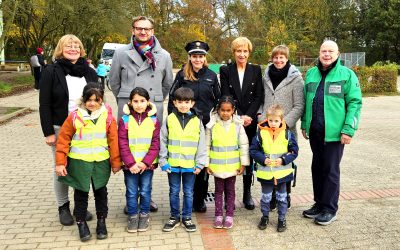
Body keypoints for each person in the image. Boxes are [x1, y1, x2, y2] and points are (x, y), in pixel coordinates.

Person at [109, 16, 173, 212]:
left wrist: (154, 98)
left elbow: (167, 83)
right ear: (133, 30)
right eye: (139, 28)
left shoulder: (164, 55)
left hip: (152, 106)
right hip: (129, 107)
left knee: (148, 150)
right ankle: (131, 198)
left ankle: (147, 196)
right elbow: (114, 81)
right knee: (129, 148)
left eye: (146, 29)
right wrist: (127, 98)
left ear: (153, 31)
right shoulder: (121, 53)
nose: (143, 32)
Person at [301, 40, 362, 225]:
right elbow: (306, 102)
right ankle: (319, 204)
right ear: (319, 53)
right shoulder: (311, 74)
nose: (326, 54)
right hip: (315, 132)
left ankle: (330, 209)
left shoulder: (347, 75)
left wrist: (348, 130)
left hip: (335, 134)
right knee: (317, 168)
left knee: (330, 170)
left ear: (338, 54)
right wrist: (304, 124)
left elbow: (355, 103)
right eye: (323, 51)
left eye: (330, 51)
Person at [39, 34, 98, 226]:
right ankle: (63, 207)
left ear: (81, 49)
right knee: (62, 167)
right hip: (59, 127)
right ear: (60, 49)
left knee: (82, 167)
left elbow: (97, 100)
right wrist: (48, 132)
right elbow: (44, 103)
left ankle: (79, 206)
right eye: (68, 46)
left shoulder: (89, 71)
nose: (73, 49)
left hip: (86, 128)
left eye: (76, 46)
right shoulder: (51, 70)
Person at [55, 83, 122, 241]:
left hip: (101, 162)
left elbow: (113, 140)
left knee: (101, 193)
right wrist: (60, 162)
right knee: (81, 194)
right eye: (89, 99)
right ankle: (81, 223)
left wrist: (116, 162)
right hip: (80, 163)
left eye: (96, 100)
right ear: (83, 100)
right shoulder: (74, 116)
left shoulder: (108, 117)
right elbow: (63, 140)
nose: (92, 103)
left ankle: (101, 222)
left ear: (101, 100)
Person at [168, 40, 221, 213]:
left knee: (202, 163)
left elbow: (218, 99)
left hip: (205, 125)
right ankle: (186, 197)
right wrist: (172, 120)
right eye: (194, 56)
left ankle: (199, 199)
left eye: (200, 56)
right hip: (185, 124)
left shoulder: (211, 76)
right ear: (189, 57)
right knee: (186, 160)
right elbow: (172, 99)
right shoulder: (182, 75)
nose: (197, 59)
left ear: (204, 58)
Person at [258, 45, 304, 210]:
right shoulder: (266, 76)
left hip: (285, 129)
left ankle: (285, 196)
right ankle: (270, 198)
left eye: (282, 57)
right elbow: (261, 99)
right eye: (276, 57)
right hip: (266, 128)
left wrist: (285, 124)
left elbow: (299, 105)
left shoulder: (296, 79)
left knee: (283, 162)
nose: (278, 60)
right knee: (268, 160)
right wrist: (261, 117)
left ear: (287, 58)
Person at [220, 37, 264, 210]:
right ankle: (226, 195)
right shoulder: (226, 70)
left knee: (248, 156)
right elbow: (225, 95)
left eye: (245, 51)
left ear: (249, 52)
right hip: (232, 120)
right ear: (234, 52)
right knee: (229, 155)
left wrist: (249, 116)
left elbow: (258, 95)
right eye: (239, 51)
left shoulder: (255, 70)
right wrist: (238, 116)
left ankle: (247, 193)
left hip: (250, 121)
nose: (242, 54)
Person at [159, 87, 206, 232]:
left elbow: (201, 144)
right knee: (173, 191)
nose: (184, 105)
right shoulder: (170, 119)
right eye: (180, 102)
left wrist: (200, 164)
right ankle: (174, 217)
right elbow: (162, 140)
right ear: (174, 103)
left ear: (192, 103)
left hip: (190, 166)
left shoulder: (197, 121)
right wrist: (163, 161)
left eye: (187, 102)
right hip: (172, 165)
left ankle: (186, 217)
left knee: (188, 192)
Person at [118, 87, 160, 233]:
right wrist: (131, 163)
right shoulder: (125, 120)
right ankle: (132, 215)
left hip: (146, 166)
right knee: (131, 191)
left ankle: (144, 214)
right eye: (135, 101)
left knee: (145, 191)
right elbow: (122, 143)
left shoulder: (154, 121)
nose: (139, 104)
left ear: (148, 102)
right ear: (130, 103)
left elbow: (156, 144)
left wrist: (144, 162)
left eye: (142, 101)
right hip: (130, 166)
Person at [250, 104, 298, 232]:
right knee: (266, 198)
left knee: (282, 198)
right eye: (270, 120)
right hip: (266, 173)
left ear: (281, 120)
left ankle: (282, 219)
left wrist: (283, 160)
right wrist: (263, 159)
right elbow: (253, 150)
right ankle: (265, 217)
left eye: (276, 121)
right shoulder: (260, 133)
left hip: (282, 174)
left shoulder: (287, 134)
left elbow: (294, 151)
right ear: (267, 119)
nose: (273, 123)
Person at [205, 96, 249, 229]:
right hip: (217, 166)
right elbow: (206, 145)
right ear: (218, 110)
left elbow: (244, 145)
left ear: (233, 111)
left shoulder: (238, 125)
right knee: (218, 191)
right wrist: (207, 164)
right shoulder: (211, 125)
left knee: (230, 191)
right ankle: (218, 215)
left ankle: (229, 215)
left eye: (228, 110)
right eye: (222, 110)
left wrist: (243, 164)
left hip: (232, 167)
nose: (225, 113)